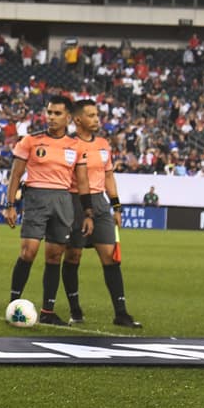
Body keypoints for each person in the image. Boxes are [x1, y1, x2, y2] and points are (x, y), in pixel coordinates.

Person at [2, 95, 93, 326]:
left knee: (54, 256)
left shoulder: (76, 146)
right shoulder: (30, 141)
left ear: (68, 118)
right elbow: (15, 174)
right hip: (36, 197)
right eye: (49, 112)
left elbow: (82, 182)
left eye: (57, 113)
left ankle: (47, 311)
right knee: (28, 252)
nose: (51, 117)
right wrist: (10, 204)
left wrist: (88, 212)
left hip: (63, 200)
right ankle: (14, 305)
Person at [61, 100, 141, 328]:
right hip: (75, 202)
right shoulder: (68, 145)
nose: (97, 119)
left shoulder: (104, 144)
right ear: (78, 120)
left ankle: (121, 313)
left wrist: (116, 206)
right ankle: (75, 311)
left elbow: (109, 177)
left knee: (110, 257)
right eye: (92, 115)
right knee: (73, 256)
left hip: (100, 203)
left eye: (97, 115)